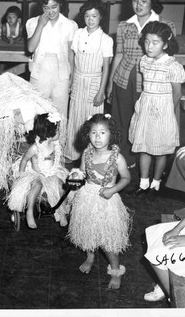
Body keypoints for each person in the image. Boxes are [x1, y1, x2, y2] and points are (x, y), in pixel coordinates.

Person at [106, 0, 176, 168]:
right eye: (135, 0)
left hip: (150, 82)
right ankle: (124, 162)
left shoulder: (165, 25)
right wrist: (110, 84)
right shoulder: (123, 25)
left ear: (153, 1)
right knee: (121, 120)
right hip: (124, 79)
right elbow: (119, 55)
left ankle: (145, 164)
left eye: (144, 1)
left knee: (146, 123)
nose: (139, 5)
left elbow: (168, 59)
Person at [67, 114, 131, 289]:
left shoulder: (117, 157)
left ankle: (116, 270)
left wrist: (113, 189)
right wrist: (75, 176)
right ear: (87, 135)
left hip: (107, 200)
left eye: (102, 132)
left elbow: (126, 178)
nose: (97, 137)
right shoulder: (86, 153)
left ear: (111, 134)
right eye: (93, 133)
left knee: (108, 239)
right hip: (87, 196)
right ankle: (90, 256)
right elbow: (81, 172)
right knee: (87, 230)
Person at [129, 22, 185, 195]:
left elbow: (177, 94)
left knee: (160, 150)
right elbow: (145, 86)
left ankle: (156, 183)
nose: (149, 46)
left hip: (163, 110)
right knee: (144, 146)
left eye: (155, 42)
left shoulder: (172, 66)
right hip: (146, 106)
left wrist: (167, 113)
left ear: (166, 44)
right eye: (147, 41)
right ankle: (144, 182)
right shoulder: (144, 61)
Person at [65, 0, 113, 162]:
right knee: (76, 116)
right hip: (78, 80)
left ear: (101, 18)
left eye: (94, 16)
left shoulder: (106, 39)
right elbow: (72, 57)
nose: (90, 19)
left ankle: (93, 157)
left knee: (92, 121)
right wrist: (71, 78)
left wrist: (101, 91)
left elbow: (106, 68)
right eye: (87, 16)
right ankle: (72, 154)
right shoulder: (78, 33)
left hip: (94, 82)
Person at [143, 186, 185, 302]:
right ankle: (167, 285)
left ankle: (173, 298)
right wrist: (177, 229)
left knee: (156, 256)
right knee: (156, 237)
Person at [7, 112, 69, 229]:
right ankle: (29, 211)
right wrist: (21, 174)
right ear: (48, 133)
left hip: (51, 173)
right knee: (37, 185)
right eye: (57, 130)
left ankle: (62, 211)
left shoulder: (54, 144)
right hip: (36, 174)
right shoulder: (35, 148)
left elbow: (54, 158)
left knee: (62, 187)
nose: (59, 132)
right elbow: (25, 160)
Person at [26, 0, 78, 118]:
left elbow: (70, 55)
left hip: (61, 74)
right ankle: (38, 138)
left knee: (59, 112)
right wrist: (40, 25)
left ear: (60, 4)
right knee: (38, 110)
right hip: (40, 72)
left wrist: (72, 76)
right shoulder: (32, 22)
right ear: (41, 7)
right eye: (46, 8)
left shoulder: (70, 25)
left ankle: (59, 138)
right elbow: (31, 48)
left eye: (54, 7)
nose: (50, 11)